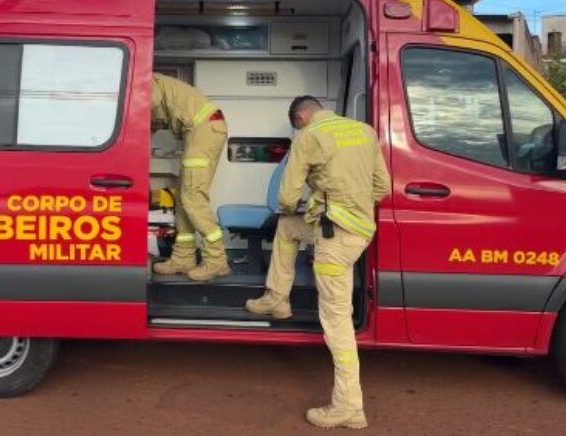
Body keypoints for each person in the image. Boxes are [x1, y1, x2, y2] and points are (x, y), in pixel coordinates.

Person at [245, 96, 390, 429]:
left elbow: (286, 196)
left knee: (336, 323)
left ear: (301, 116)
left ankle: (348, 407)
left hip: (334, 238)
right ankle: (277, 298)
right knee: (288, 228)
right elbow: (382, 186)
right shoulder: (364, 131)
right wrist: (348, 206)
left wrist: (305, 203)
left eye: (297, 124)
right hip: (358, 229)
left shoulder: (309, 136)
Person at [151, 73, 230, 282]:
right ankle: (183, 257)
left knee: (192, 197)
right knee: (183, 198)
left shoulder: (142, 78)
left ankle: (217, 260)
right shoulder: (154, 82)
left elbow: (150, 103)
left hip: (202, 129)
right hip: (198, 130)